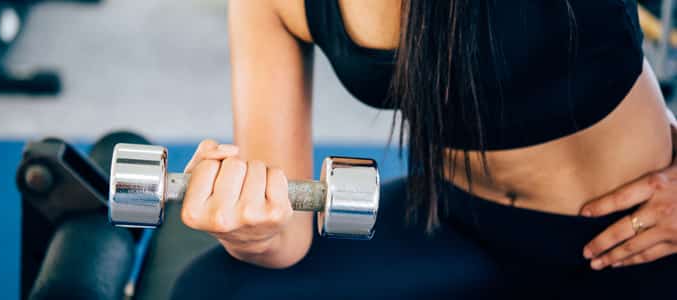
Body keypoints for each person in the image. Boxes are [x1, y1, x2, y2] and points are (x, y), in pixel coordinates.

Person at [171, 0, 677, 298]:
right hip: (450, 220)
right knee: (212, 290)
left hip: (633, 234)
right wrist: (251, 233)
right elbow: (286, 229)